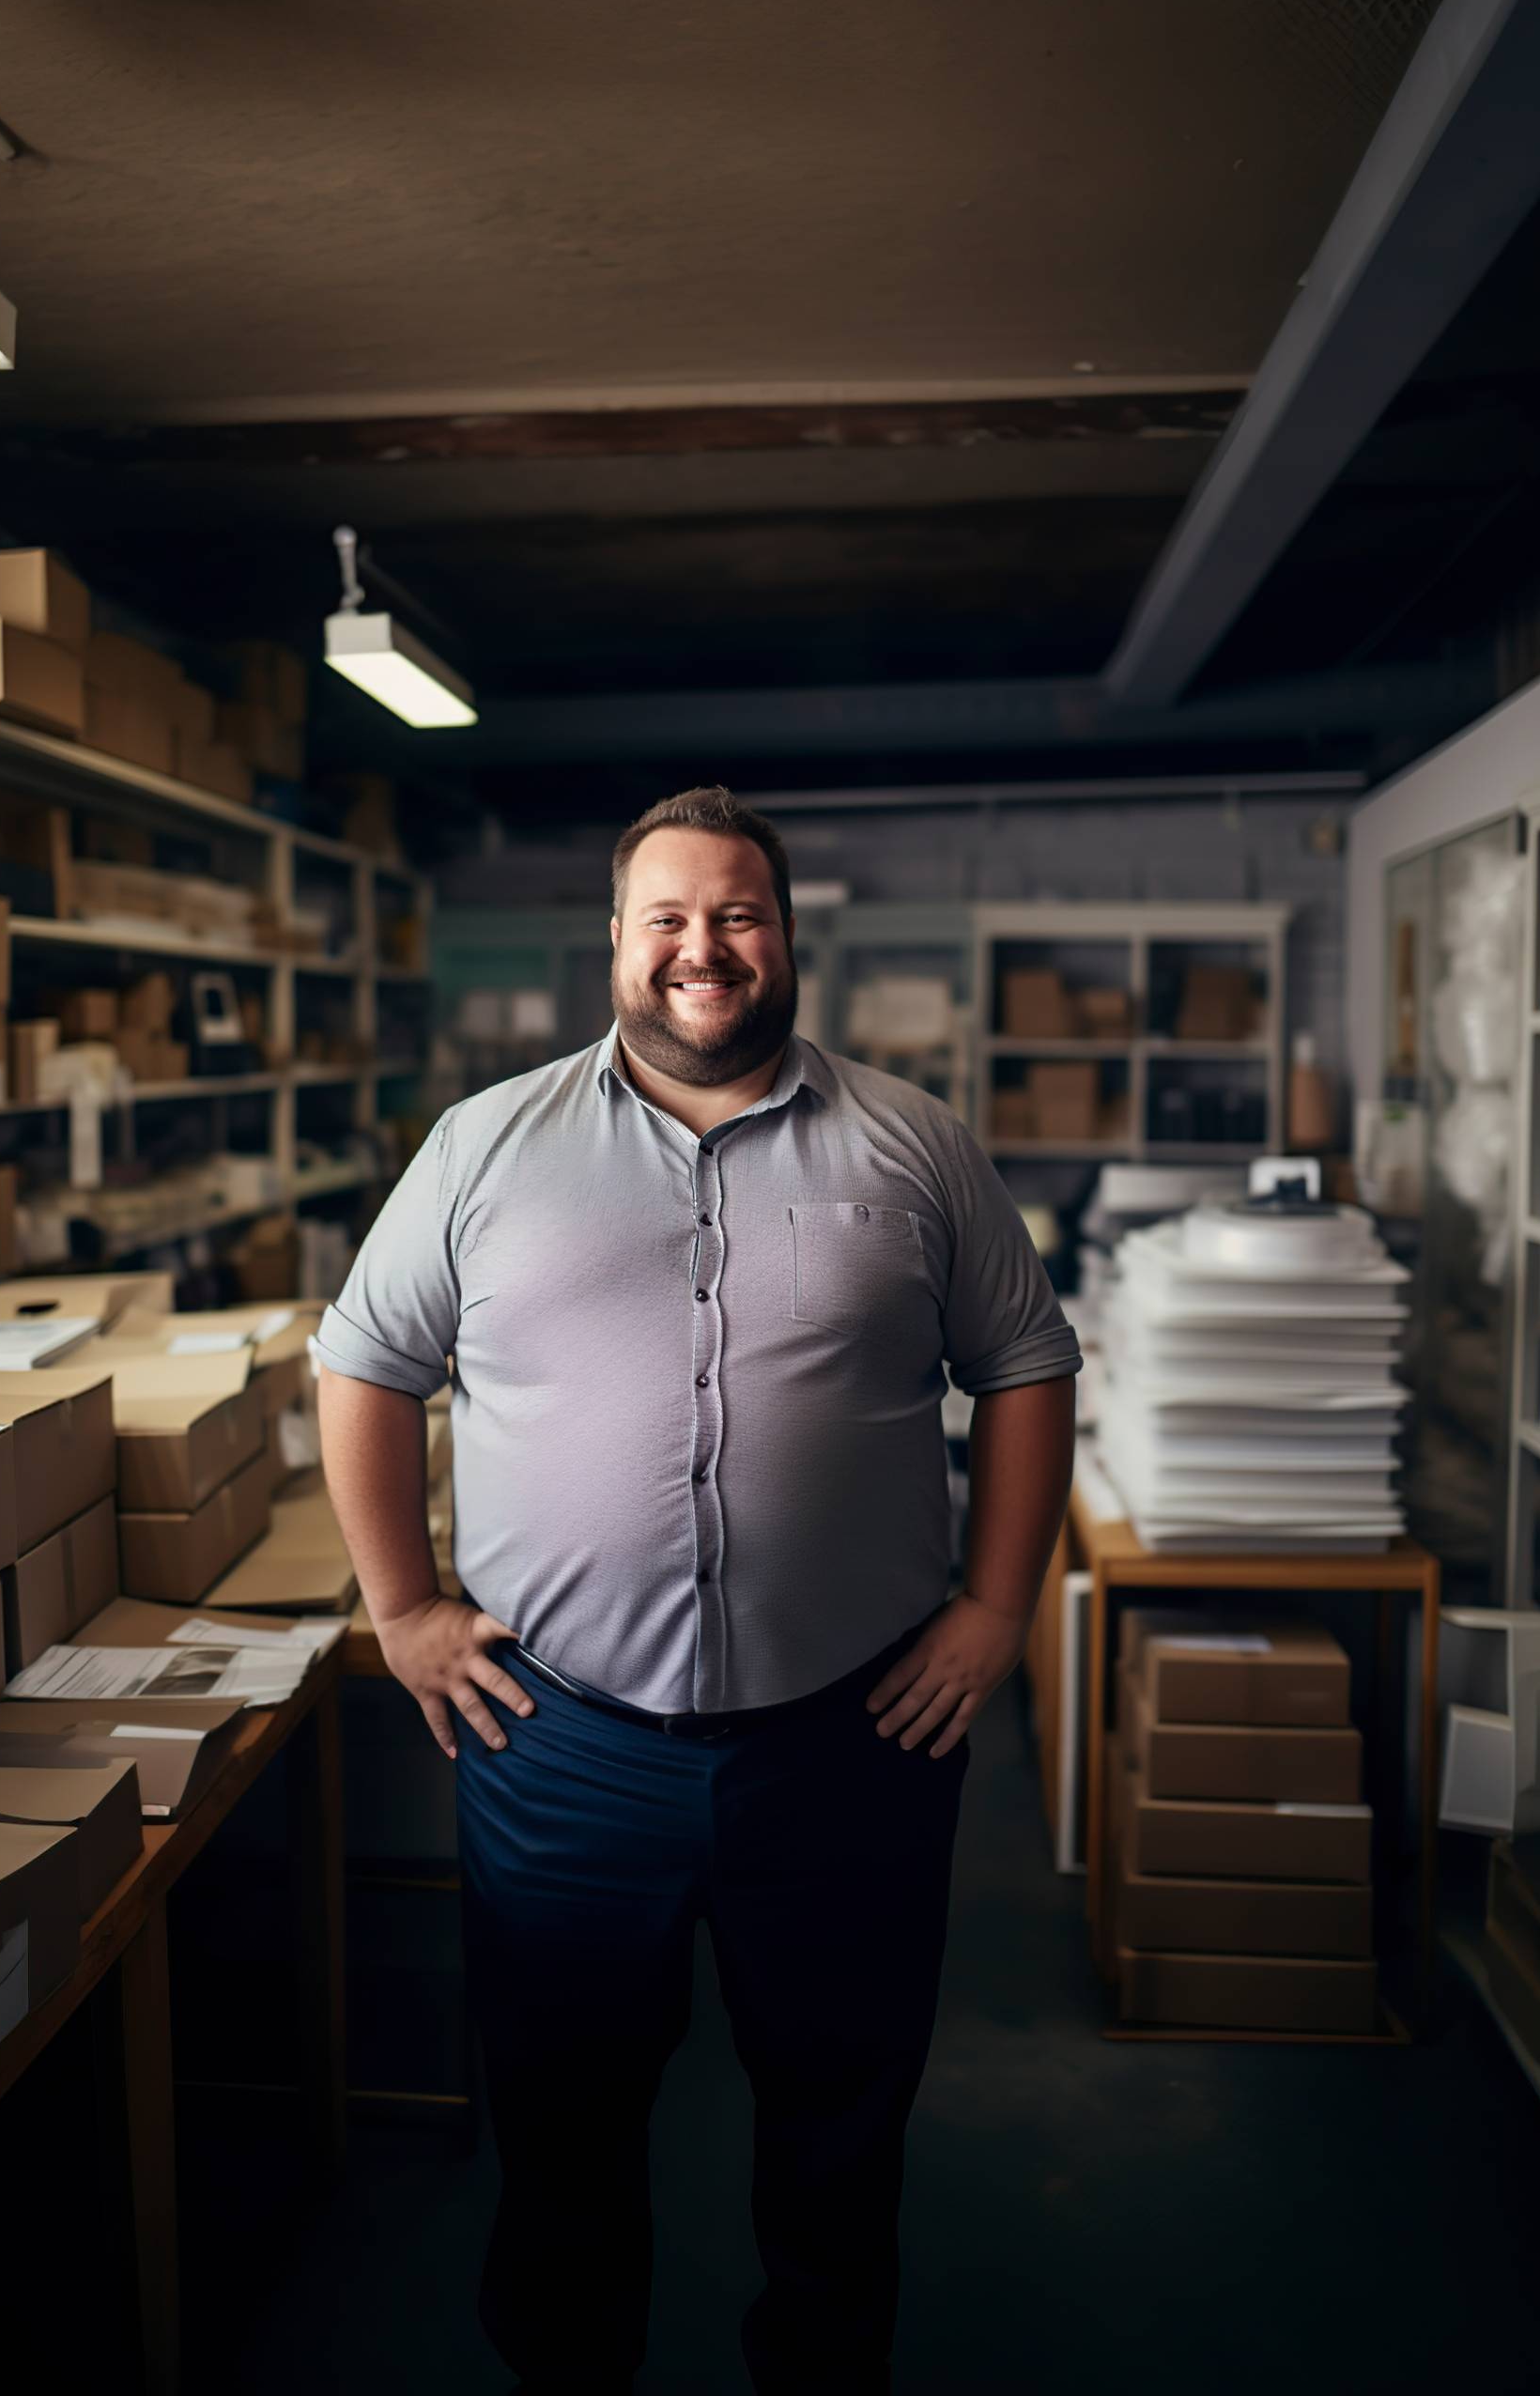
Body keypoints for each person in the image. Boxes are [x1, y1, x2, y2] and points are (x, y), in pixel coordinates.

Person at [313, 786, 1079, 2394]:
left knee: (840, 2132)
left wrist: (997, 1608)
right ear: (615, 939)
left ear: (785, 937)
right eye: (667, 917)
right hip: (565, 1747)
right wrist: (404, 1610)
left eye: (737, 915)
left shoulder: (913, 1140)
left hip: (856, 1739)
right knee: (563, 2136)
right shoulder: (485, 1145)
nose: (701, 949)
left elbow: (1024, 1363)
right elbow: (365, 1363)